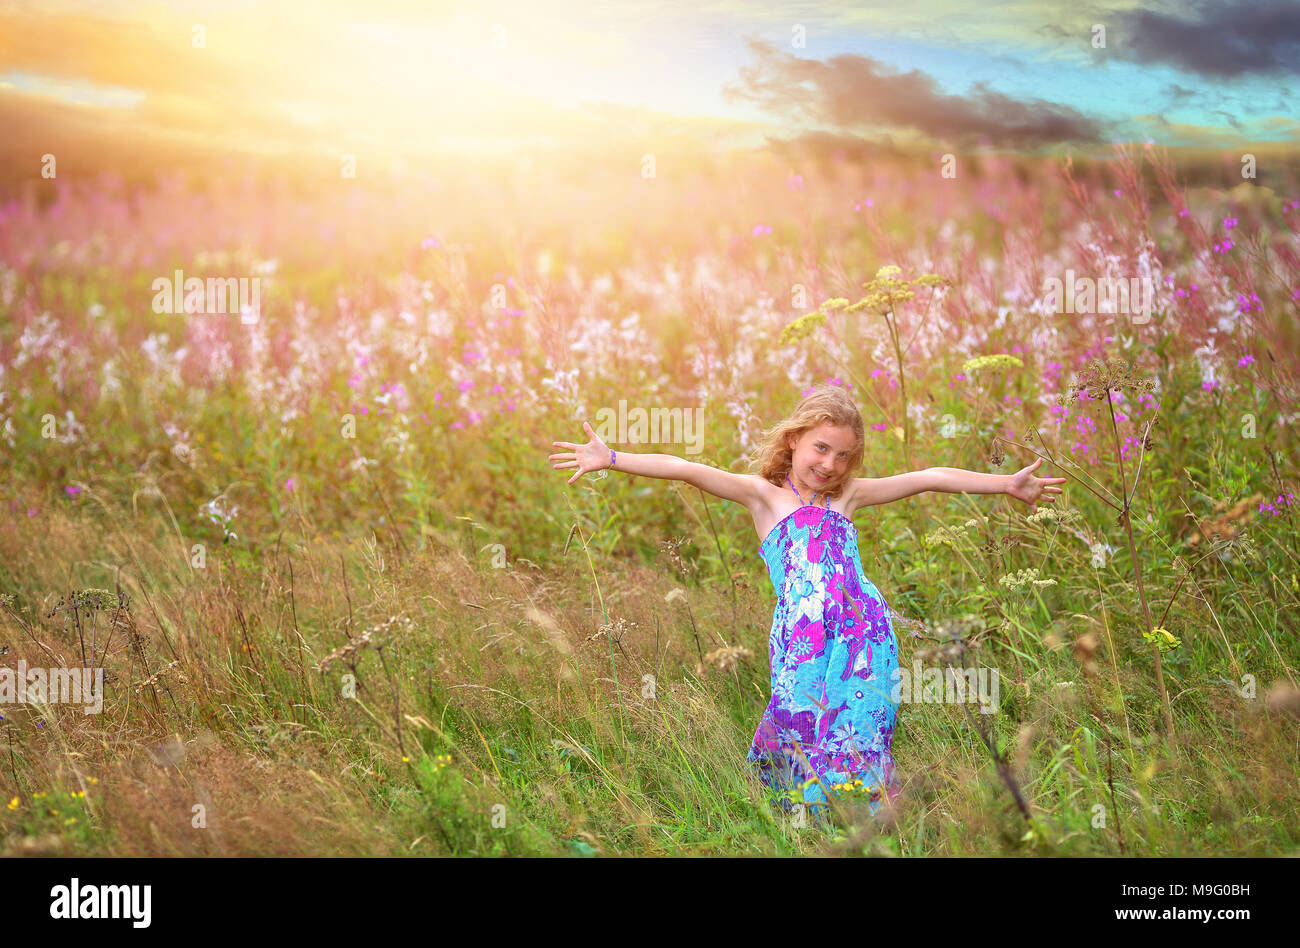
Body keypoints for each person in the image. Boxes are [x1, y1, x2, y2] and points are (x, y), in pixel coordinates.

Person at [548, 384, 1065, 825]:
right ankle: (799, 822)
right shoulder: (763, 497)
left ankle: (862, 821)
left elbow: (929, 477)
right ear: (794, 439)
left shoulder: (849, 496)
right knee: (799, 720)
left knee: (859, 726)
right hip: (804, 640)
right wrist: (611, 458)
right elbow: (686, 468)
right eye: (820, 448)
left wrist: (1006, 484)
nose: (830, 464)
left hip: (865, 636)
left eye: (843, 456)